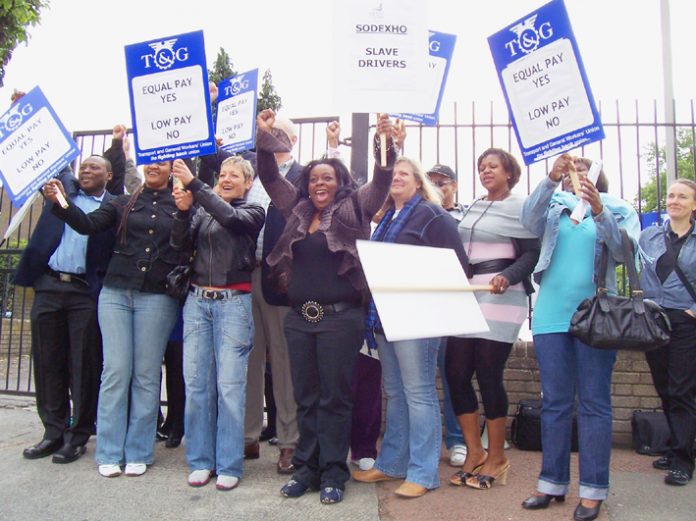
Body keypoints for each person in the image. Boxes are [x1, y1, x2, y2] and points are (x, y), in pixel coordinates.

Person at [255, 109, 394, 504]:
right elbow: (268, 177)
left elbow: (382, 180)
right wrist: (265, 138)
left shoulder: (355, 209)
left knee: (334, 397)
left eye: (327, 178)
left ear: (340, 183)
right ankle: (306, 468)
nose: (319, 183)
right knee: (307, 397)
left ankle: (334, 471)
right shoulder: (294, 209)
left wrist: (385, 143)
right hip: (299, 320)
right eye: (314, 178)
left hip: (339, 320)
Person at [43, 158, 185, 478]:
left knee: (146, 375)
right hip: (116, 293)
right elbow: (88, 224)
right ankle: (109, 449)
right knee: (116, 371)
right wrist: (61, 202)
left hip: (158, 297)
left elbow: (186, 243)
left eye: (161, 163)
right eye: (150, 162)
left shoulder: (181, 203)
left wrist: (188, 204)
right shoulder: (123, 202)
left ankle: (138, 450)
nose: (153, 167)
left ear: (172, 170)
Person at [520, 154, 640, 521]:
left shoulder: (619, 208)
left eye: (585, 170)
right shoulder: (554, 203)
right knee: (554, 402)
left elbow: (624, 253)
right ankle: (552, 483)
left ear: (598, 176)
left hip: (596, 316)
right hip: (550, 315)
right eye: (572, 170)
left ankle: (592, 491)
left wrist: (601, 211)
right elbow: (528, 223)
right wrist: (547, 180)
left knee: (593, 403)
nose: (577, 175)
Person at [353, 157, 470, 499]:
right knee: (397, 392)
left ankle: (423, 471)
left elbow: (458, 266)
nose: (396, 178)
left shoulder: (433, 215)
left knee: (418, 393)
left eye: (404, 173)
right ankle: (392, 464)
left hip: (418, 318)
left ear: (418, 183)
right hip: (384, 319)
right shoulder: (387, 217)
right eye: (393, 174)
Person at [444, 149, 539, 489]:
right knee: (455, 373)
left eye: (493, 166)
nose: (485, 170)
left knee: (487, 373)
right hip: (468, 291)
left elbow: (532, 252)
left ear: (510, 173)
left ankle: (496, 456)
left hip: (502, 293)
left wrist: (509, 276)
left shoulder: (521, 207)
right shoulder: (472, 206)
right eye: (481, 166)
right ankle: (473, 452)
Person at [170, 156, 264, 491]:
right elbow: (179, 247)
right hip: (197, 303)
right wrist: (183, 211)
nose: (225, 179)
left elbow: (230, 217)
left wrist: (195, 185)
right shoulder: (202, 210)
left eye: (233, 175)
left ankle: (228, 463)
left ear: (247, 183)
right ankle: (199, 460)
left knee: (229, 386)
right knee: (196, 384)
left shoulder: (253, 212)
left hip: (233, 305)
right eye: (222, 174)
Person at [15, 158, 116, 464]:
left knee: (83, 365)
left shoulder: (113, 206)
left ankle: (77, 436)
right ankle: (52, 432)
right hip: (48, 286)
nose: (86, 170)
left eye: (95, 167)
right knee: (47, 363)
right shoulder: (61, 194)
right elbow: (54, 156)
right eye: (83, 166)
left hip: (84, 292)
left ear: (109, 176)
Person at [639, 178, 696, 487]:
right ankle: (678, 447)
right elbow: (626, 252)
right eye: (672, 195)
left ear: (693, 205)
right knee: (663, 386)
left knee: (681, 390)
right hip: (654, 317)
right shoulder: (650, 236)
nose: (675, 200)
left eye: (683, 196)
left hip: (686, 319)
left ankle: (684, 460)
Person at [425, 163, 467, 468]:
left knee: (454, 375)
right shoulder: (422, 214)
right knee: (423, 378)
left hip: (456, 302)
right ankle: (426, 442)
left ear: (454, 185)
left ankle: (457, 440)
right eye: (433, 181)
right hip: (425, 302)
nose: (439, 186)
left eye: (444, 182)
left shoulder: (468, 216)